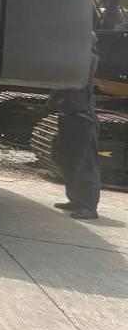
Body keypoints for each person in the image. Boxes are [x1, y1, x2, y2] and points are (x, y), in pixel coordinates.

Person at [50, 34, 101, 220]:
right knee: (67, 158)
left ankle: (88, 206)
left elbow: (77, 76)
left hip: (82, 116)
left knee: (84, 163)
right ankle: (76, 200)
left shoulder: (87, 59)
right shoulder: (70, 56)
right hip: (69, 115)